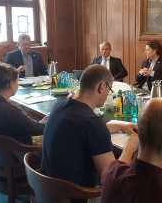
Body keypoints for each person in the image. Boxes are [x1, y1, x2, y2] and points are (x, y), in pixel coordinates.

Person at [41, 64, 138, 203]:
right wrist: (130, 147)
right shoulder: (91, 123)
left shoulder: (61, 104)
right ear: (102, 87)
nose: (108, 95)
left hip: (47, 190)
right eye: (109, 90)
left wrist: (120, 125)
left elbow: (84, 132)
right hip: (76, 195)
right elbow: (113, 180)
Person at [0, 62, 47, 145]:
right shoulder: (9, 110)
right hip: (21, 154)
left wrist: (40, 123)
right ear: (11, 83)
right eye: (18, 81)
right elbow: (40, 130)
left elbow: (33, 127)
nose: (18, 84)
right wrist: (53, 116)